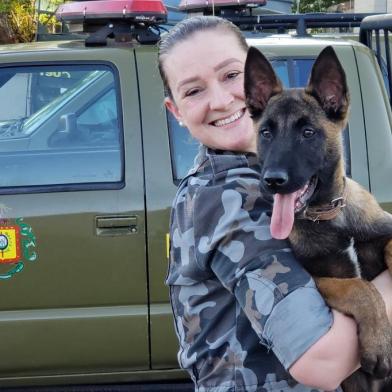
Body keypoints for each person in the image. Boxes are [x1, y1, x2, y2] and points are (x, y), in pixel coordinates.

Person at [158, 15, 392, 391]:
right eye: (193, 91)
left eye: (231, 75)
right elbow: (322, 362)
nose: (220, 100)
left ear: (255, 81)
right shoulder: (229, 197)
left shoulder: (271, 175)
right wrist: (368, 298)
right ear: (176, 112)